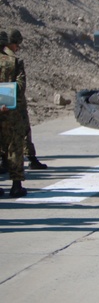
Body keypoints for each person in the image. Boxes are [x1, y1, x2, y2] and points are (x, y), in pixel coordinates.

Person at [4, 29, 46, 170]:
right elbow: (20, 86)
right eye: (17, 45)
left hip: (9, 103)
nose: (18, 48)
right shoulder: (14, 61)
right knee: (20, 133)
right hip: (14, 105)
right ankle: (22, 168)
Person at [0, 30, 28, 197]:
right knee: (15, 147)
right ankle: (16, 185)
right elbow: (20, 85)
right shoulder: (15, 61)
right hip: (11, 111)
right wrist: (5, 99)